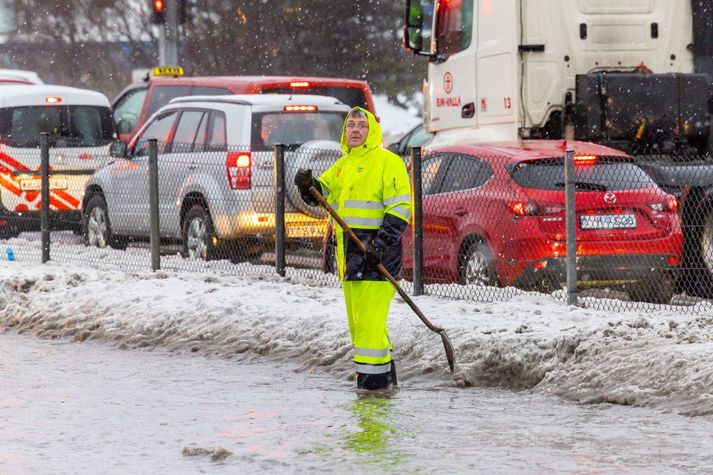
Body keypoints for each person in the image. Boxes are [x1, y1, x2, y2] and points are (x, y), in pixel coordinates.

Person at [294, 107, 412, 391]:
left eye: (361, 125)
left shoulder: (388, 162)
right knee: (362, 327)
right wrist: (309, 186)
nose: (356, 130)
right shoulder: (344, 164)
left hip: (378, 257)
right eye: (351, 126)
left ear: (372, 130)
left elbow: (401, 209)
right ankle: (384, 383)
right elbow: (323, 191)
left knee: (369, 331)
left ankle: (372, 391)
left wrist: (379, 245)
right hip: (352, 258)